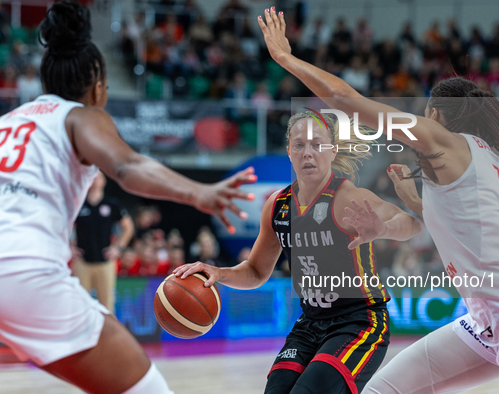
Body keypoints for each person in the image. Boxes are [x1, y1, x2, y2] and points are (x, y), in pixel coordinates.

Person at [257, 8, 499, 394]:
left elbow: (347, 99)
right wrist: (416, 203)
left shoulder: (441, 140)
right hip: (492, 324)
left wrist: (286, 58)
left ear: (434, 114)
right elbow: (472, 233)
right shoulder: (492, 164)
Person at [0, 2, 256, 393]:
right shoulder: (80, 115)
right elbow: (127, 167)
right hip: (22, 272)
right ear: (99, 87)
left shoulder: (8, 123)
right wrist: (199, 192)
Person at [174, 110, 422, 393]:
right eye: (300, 145)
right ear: (289, 151)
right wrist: (218, 273)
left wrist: (383, 230)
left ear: (332, 151)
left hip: (359, 322)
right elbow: (256, 271)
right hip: (310, 323)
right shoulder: (278, 206)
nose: (308, 153)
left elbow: (410, 223)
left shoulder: (348, 198)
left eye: (317, 144)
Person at [72, 171, 134, 313]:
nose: (95, 180)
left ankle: (105, 335)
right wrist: (69, 247)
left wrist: (118, 248)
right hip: (82, 261)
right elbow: (64, 226)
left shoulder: (111, 204)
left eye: (98, 177)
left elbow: (128, 227)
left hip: (105, 261)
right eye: (92, 178)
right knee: (80, 305)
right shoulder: (78, 203)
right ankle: (84, 335)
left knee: (107, 306)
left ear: (104, 181)